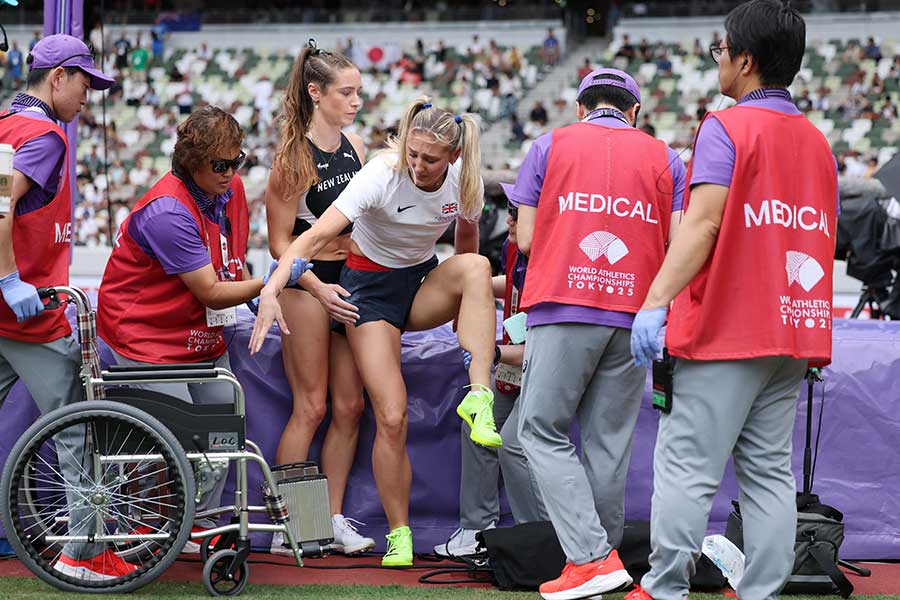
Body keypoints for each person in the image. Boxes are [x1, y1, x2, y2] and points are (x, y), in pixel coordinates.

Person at [628, 3, 838, 600]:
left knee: (686, 471)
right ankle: (763, 591)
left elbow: (701, 226)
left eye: (721, 50)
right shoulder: (818, 144)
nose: (717, 60)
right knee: (771, 473)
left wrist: (655, 300)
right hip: (794, 333)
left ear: (744, 61)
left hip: (725, 331)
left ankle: (664, 589)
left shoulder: (726, 126)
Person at [250, 97, 502, 567]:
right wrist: (274, 285)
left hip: (422, 282)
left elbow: (468, 258)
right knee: (390, 415)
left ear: (453, 157)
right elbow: (312, 237)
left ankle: (480, 396)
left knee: (478, 267)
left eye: (430, 159)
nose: (419, 165)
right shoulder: (382, 174)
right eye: (413, 154)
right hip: (369, 291)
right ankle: (399, 533)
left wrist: (475, 315)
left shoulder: (464, 184)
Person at [97, 106, 310, 554]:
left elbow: (228, 266)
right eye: (221, 164)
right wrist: (275, 281)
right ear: (192, 160)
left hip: (201, 338)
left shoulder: (225, 189)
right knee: (175, 443)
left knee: (222, 437)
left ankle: (197, 527)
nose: (232, 173)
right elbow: (212, 292)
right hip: (148, 339)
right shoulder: (166, 212)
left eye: (238, 161)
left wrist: (255, 288)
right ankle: (151, 530)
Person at [510, 67, 685, 600]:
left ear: (581, 107)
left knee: (539, 430)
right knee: (608, 447)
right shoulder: (666, 157)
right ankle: (599, 561)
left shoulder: (549, 145)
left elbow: (527, 239)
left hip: (565, 303)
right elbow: (679, 245)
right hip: (637, 314)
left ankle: (589, 558)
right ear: (633, 111)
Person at [0, 33, 117, 579]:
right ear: (58, 77)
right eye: (85, 82)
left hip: (11, 313)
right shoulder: (44, 134)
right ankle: (83, 554)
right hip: (28, 317)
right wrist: (8, 278)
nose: (89, 96)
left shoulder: (5, 124)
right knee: (77, 429)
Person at [264, 41, 375, 556]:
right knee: (310, 406)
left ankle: (328, 518)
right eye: (346, 92)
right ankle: (294, 527)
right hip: (307, 285)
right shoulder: (292, 157)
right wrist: (315, 286)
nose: (356, 100)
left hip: (348, 281)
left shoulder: (351, 144)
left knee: (350, 407)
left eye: (357, 91)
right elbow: (279, 243)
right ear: (316, 92)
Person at [435, 184, 547, 558]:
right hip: (513, 362)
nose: (508, 218)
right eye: (510, 209)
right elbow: (511, 285)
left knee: (516, 443)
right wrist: (467, 287)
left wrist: (493, 352)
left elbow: (547, 351)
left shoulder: (555, 259)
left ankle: (542, 539)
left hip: (542, 368)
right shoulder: (515, 246)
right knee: (478, 424)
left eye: (517, 211)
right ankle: (477, 530)